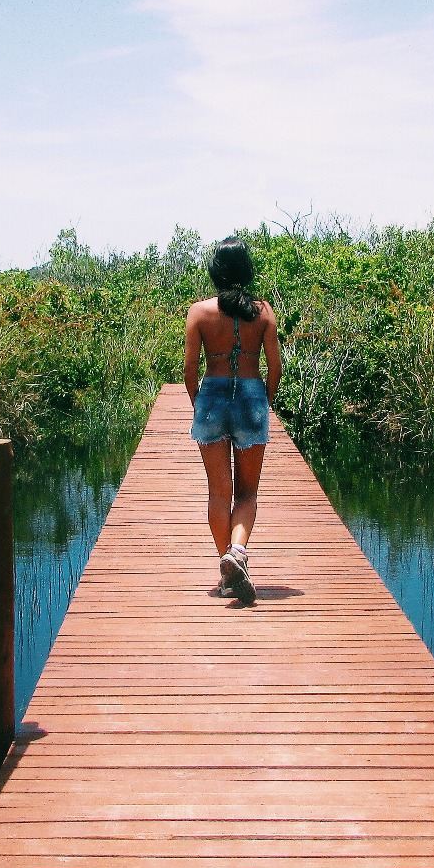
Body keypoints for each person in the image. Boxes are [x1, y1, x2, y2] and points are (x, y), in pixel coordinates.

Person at [183, 237, 281, 606]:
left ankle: (227, 566)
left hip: (212, 399)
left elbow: (191, 369)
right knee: (248, 492)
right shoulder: (264, 312)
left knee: (218, 492)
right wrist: (264, 402)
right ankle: (236, 553)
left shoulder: (199, 313)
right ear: (246, 269)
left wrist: (198, 403)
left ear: (215, 271)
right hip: (252, 397)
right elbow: (276, 368)